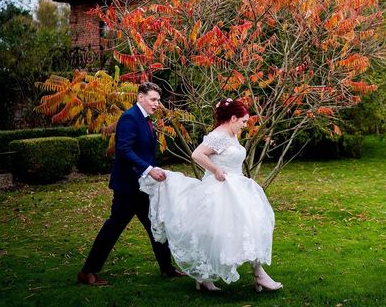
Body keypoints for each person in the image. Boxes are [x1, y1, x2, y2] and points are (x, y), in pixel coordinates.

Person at [139, 98, 282, 292]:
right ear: (233, 118)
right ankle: (211, 276)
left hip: (237, 187)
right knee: (216, 233)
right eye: (243, 121)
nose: (244, 125)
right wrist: (215, 170)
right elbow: (197, 155)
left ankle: (257, 273)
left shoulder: (231, 134)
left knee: (252, 225)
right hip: (220, 189)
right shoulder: (219, 135)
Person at [77, 81, 184, 286]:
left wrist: (154, 172)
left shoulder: (146, 120)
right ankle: (87, 272)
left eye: (158, 100)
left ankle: (167, 269)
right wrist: (149, 169)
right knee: (113, 228)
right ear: (140, 97)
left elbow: (144, 152)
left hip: (144, 187)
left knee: (156, 226)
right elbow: (124, 151)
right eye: (153, 100)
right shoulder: (129, 118)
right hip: (128, 187)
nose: (156, 104)